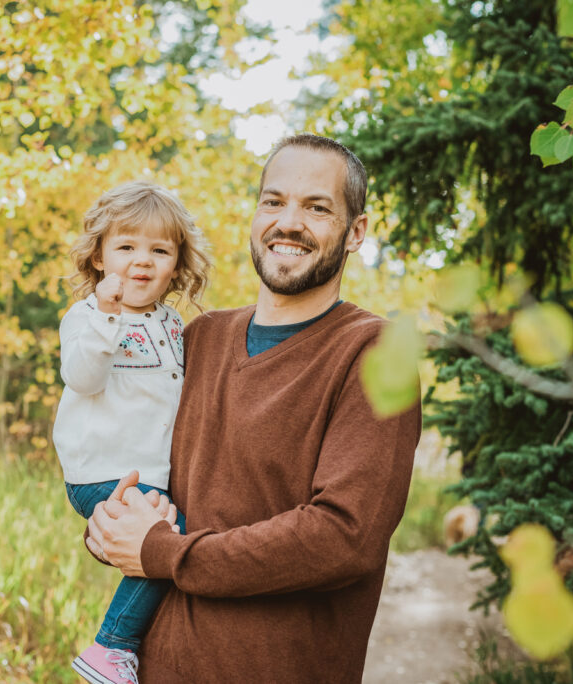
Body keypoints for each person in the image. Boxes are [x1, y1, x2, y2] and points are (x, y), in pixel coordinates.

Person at [86, 134, 422, 683]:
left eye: (316, 207)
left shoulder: (373, 353)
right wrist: (110, 521)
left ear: (356, 231)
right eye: (274, 201)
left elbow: (344, 538)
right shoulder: (198, 338)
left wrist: (166, 553)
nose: (288, 222)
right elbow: (132, 464)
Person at [54, 180, 211, 684]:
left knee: (168, 538)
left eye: (158, 250)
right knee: (171, 538)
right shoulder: (85, 317)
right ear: (99, 258)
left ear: (175, 264)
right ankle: (110, 646)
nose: (141, 261)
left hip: (148, 474)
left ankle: (130, 647)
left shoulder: (170, 324)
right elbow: (83, 377)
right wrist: (108, 316)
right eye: (125, 247)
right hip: (100, 470)